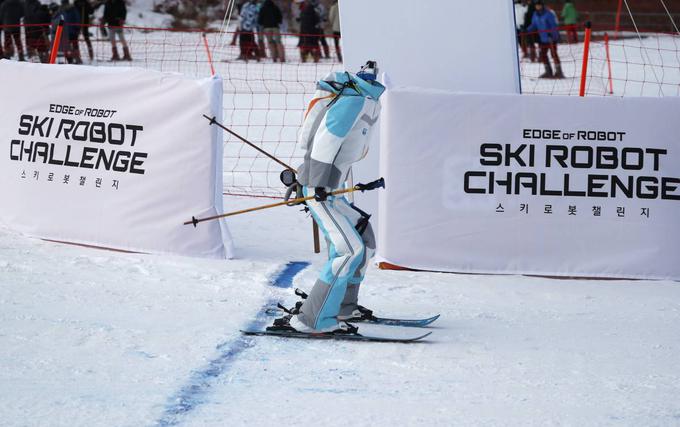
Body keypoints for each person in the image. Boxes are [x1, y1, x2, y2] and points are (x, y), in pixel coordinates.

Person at [269, 63, 385, 334]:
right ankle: (312, 319)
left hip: (331, 190)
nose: (374, 77)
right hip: (320, 190)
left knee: (363, 239)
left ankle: (344, 307)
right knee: (349, 250)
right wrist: (318, 182)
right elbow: (327, 139)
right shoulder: (353, 99)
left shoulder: (364, 100)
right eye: (370, 74)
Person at [526, 0, 564, 78]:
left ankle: (559, 72)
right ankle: (548, 72)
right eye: (536, 5)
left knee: (554, 54)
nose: (538, 7)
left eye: (539, 5)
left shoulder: (548, 14)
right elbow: (534, 25)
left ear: (542, 5)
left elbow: (553, 25)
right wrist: (527, 30)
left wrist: (554, 35)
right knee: (543, 55)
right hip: (543, 39)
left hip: (551, 38)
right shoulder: (535, 15)